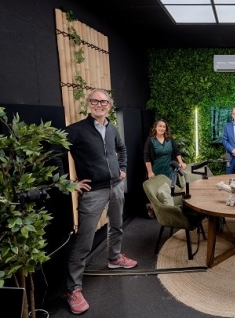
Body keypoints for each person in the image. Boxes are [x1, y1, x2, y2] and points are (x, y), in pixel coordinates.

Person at [65, 89, 137, 315]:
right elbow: (56, 153)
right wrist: (68, 183)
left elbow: (122, 149)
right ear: (89, 104)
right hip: (93, 191)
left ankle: (115, 258)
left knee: (117, 226)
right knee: (84, 240)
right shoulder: (75, 130)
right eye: (95, 101)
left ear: (109, 105)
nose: (99, 104)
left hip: (115, 186)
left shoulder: (112, 128)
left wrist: (122, 169)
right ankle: (73, 288)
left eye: (104, 101)